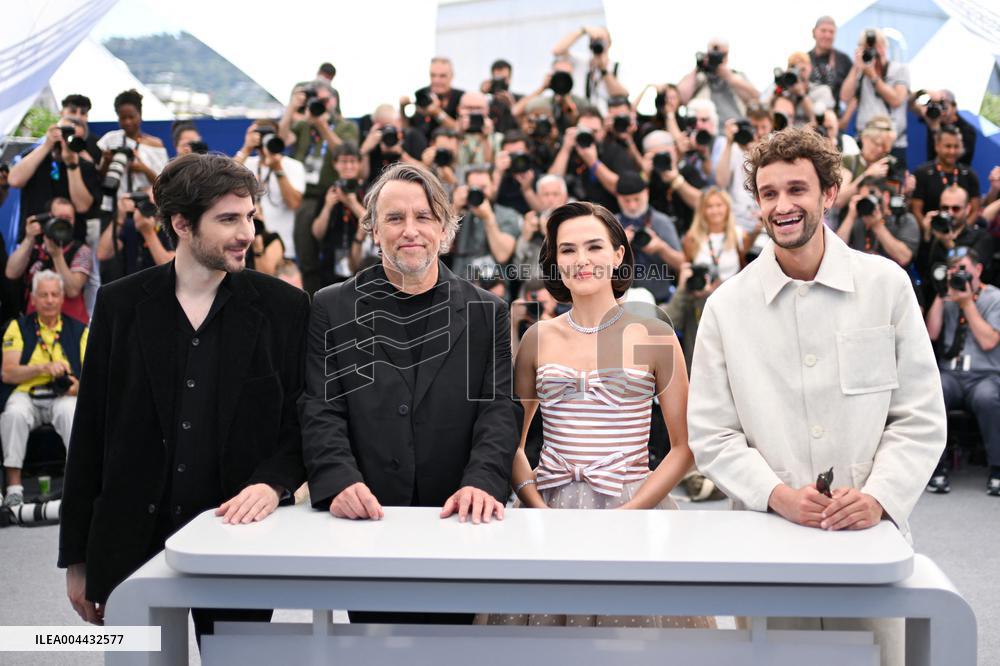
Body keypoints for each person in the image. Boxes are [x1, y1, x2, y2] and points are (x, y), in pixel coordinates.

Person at [687, 127, 945, 665]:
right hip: (767, 538)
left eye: (797, 189)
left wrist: (878, 497)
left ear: (830, 193)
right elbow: (712, 434)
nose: (782, 205)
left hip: (870, 536)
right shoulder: (726, 307)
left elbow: (919, 416)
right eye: (769, 193)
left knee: (880, 657)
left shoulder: (886, 285)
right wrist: (777, 495)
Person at [59, 153, 310, 645]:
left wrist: (273, 484)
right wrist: (77, 558)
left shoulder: (285, 308)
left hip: (237, 538)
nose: (247, 233)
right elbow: (90, 432)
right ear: (181, 224)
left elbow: (302, 421)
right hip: (130, 542)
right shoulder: (120, 304)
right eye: (229, 219)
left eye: (250, 217)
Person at [300, 162, 520, 625]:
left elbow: (498, 409)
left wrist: (483, 481)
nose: (410, 230)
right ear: (373, 229)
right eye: (395, 218)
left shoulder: (488, 312)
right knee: (376, 648)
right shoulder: (331, 306)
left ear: (445, 228)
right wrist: (339, 479)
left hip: (458, 516)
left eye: (423, 217)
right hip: (367, 516)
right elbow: (322, 407)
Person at [486, 200, 711, 628]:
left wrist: (631, 512)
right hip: (549, 508)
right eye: (568, 250)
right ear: (555, 261)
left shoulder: (655, 335)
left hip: (634, 507)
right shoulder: (537, 338)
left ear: (618, 253)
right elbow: (510, 442)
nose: (581, 260)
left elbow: (685, 447)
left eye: (594, 246)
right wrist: (535, 504)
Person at [0, 271, 87, 509]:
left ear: (62, 298)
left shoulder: (80, 330)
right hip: (26, 393)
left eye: (54, 295)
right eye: (44, 295)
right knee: (14, 413)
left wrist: (76, 386)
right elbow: (8, 372)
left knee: (71, 412)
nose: (49, 300)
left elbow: (93, 377)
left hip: (62, 396)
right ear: (34, 299)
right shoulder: (18, 327)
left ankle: (77, 485)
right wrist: (44, 368)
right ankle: (14, 489)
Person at [925, 248, 1000, 496]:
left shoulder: (995, 298)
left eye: (963, 270)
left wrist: (967, 303)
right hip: (951, 375)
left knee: (988, 398)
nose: (959, 275)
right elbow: (931, 333)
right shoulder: (948, 298)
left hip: (984, 375)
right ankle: (936, 469)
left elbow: (989, 341)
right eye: (954, 271)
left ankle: (997, 470)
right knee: (934, 392)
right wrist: (941, 294)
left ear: (978, 270)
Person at [6, 95, 101, 235]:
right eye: (64, 134)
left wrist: (72, 164)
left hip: (72, 238)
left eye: (74, 138)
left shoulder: (85, 164)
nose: (66, 142)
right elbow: (14, 180)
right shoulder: (36, 155)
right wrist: (47, 145)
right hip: (34, 235)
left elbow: (82, 206)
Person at [5, 197, 94, 324]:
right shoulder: (35, 247)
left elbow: (73, 290)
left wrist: (57, 256)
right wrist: (29, 239)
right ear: (48, 219)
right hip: (34, 325)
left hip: (71, 327)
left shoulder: (82, 250)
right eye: (59, 218)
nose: (63, 223)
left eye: (68, 218)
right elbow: (11, 273)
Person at [234, 120, 306, 260]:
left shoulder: (293, 166)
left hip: (282, 246)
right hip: (246, 245)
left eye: (268, 134)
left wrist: (277, 168)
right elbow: (222, 180)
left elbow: (294, 203)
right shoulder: (246, 163)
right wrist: (246, 148)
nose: (262, 139)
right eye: (258, 134)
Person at [839, 29, 910, 165]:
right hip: (865, 142)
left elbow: (896, 100)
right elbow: (844, 97)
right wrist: (856, 67)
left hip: (893, 143)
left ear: (885, 47)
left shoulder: (899, 69)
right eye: (868, 48)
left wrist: (872, 75)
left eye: (877, 46)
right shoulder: (860, 71)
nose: (873, 52)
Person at [614, 172, 684, 304]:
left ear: (646, 193)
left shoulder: (661, 222)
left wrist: (662, 248)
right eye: (626, 201)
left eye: (637, 199)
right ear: (617, 197)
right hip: (621, 301)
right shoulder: (612, 224)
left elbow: (682, 263)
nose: (632, 206)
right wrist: (619, 247)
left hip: (659, 301)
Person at [449, 166, 521, 281]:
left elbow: (502, 256)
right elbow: (442, 248)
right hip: (460, 281)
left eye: (483, 187)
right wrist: (455, 208)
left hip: (494, 284)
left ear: (493, 186)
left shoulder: (507, 214)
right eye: (473, 188)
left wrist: (488, 218)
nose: (479, 192)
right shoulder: (459, 215)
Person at [97, 89, 169, 198]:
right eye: (123, 118)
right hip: (114, 202)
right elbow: (99, 178)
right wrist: (107, 162)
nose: (127, 122)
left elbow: (163, 183)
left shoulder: (155, 145)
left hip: (145, 203)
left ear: (140, 115)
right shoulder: (109, 139)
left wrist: (143, 169)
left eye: (131, 117)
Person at [311, 144, 366, 284]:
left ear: (360, 164)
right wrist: (327, 206)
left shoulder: (366, 191)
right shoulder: (328, 192)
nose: (348, 166)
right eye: (343, 161)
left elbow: (373, 223)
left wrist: (351, 203)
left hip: (361, 262)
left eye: (352, 161)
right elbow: (317, 233)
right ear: (335, 164)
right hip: (330, 264)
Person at [678, 39, 760, 131]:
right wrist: (698, 67)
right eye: (713, 53)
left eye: (723, 54)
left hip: (736, 131)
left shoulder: (736, 76)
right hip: (706, 133)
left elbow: (757, 98)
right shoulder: (699, 77)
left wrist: (731, 78)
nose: (717, 57)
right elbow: (680, 98)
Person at [837, 180, 919, 268]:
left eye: (871, 197)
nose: (868, 203)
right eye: (864, 199)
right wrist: (850, 216)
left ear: (886, 197)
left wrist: (877, 226)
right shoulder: (858, 220)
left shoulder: (904, 220)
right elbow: (837, 251)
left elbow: (903, 258)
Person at [550, 26, 627, 114]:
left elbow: (621, 94)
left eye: (601, 39)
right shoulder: (581, 61)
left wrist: (603, 70)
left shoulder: (616, 67)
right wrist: (583, 31)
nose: (597, 42)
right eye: (594, 40)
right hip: (581, 115)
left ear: (609, 43)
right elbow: (557, 51)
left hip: (607, 116)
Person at [910, 125, 980, 220]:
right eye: (948, 146)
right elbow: (916, 210)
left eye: (956, 146)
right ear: (937, 146)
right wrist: (927, 227)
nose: (952, 151)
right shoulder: (921, 174)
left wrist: (962, 229)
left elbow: (975, 211)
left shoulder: (969, 175)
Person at [404, 57, 465, 140]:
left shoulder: (462, 98)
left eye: (442, 76)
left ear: (452, 76)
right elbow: (408, 128)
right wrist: (403, 107)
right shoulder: (421, 95)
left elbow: (461, 130)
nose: (436, 80)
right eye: (433, 75)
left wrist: (437, 113)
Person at [914, 89, 976, 165]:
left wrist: (935, 129)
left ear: (954, 107)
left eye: (943, 106)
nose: (941, 110)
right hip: (932, 168)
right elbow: (911, 104)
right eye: (937, 105)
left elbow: (954, 156)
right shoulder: (933, 117)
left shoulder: (967, 130)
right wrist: (923, 92)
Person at [807, 16, 852, 108]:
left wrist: (845, 117)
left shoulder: (844, 60)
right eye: (823, 31)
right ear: (814, 32)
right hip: (807, 112)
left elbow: (855, 95)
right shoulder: (804, 59)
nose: (827, 36)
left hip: (834, 114)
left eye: (831, 32)